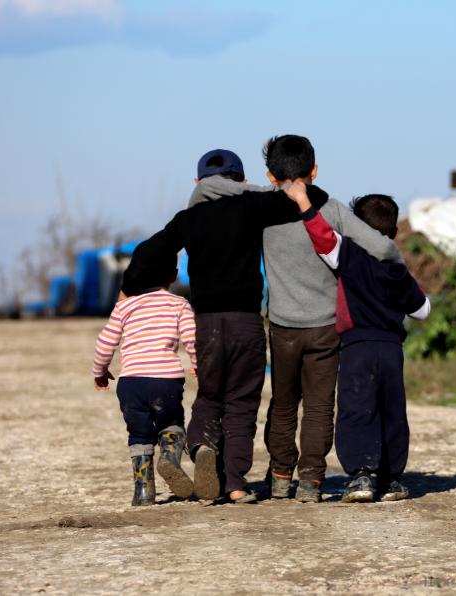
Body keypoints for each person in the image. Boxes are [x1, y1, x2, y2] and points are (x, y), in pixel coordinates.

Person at [188, 136, 401, 503]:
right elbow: (383, 247)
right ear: (314, 170)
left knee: (284, 404)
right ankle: (312, 483)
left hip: (284, 327)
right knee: (320, 407)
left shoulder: (261, 212)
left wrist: (239, 187)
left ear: (270, 175)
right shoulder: (331, 209)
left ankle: (281, 477)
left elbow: (220, 194)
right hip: (326, 327)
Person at [121, 148, 329, 503]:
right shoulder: (251, 205)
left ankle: (203, 445)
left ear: (197, 182)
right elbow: (313, 196)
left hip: (206, 325)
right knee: (242, 403)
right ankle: (234, 484)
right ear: (241, 181)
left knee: (211, 396)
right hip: (245, 322)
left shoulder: (189, 218)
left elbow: (148, 251)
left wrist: (127, 290)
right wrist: (263, 191)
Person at [283, 184, 430, 503]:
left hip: (356, 346)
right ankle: (392, 480)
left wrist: (304, 202)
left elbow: (322, 236)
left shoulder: (348, 253)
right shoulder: (395, 265)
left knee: (357, 408)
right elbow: (422, 309)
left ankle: (362, 476)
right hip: (391, 348)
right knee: (392, 410)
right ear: (393, 230)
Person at [91, 252, 197, 506]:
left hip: (131, 384)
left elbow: (105, 343)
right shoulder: (179, 304)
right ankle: (169, 459)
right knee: (171, 422)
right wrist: (198, 364)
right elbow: (192, 338)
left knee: (138, 433)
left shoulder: (125, 306)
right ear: (173, 276)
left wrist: (100, 372)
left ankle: (144, 491)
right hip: (166, 381)